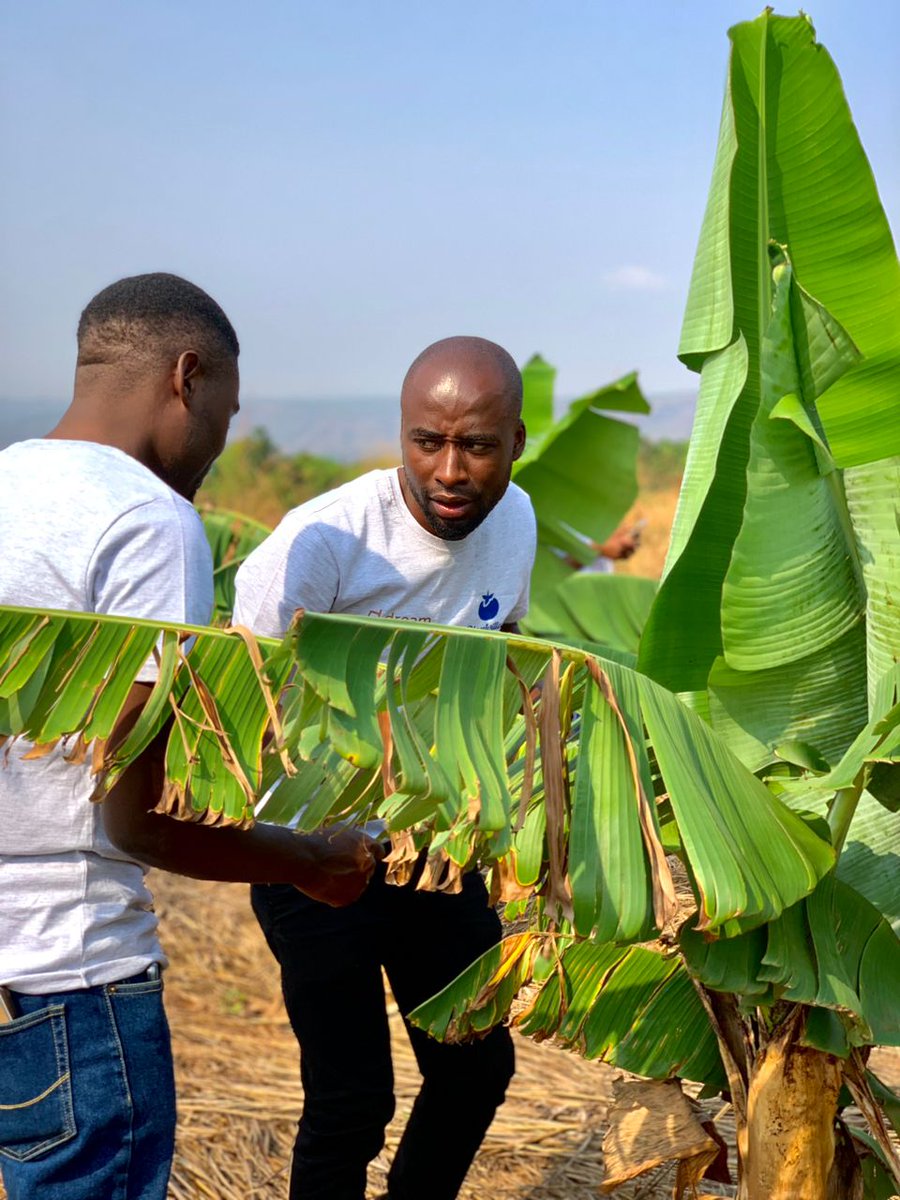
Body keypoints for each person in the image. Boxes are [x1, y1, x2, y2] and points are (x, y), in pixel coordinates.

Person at [0, 273, 380, 1200]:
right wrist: (306, 858)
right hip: (71, 979)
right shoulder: (149, 521)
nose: (220, 440)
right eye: (226, 411)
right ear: (188, 376)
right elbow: (135, 823)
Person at [233, 335, 537, 1200]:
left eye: (477, 447)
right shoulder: (321, 544)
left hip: (437, 849)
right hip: (313, 856)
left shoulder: (515, 521)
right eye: (425, 442)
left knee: (477, 1073)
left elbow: (500, 657)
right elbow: (235, 705)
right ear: (401, 433)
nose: (448, 469)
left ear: (515, 443)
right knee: (351, 1100)